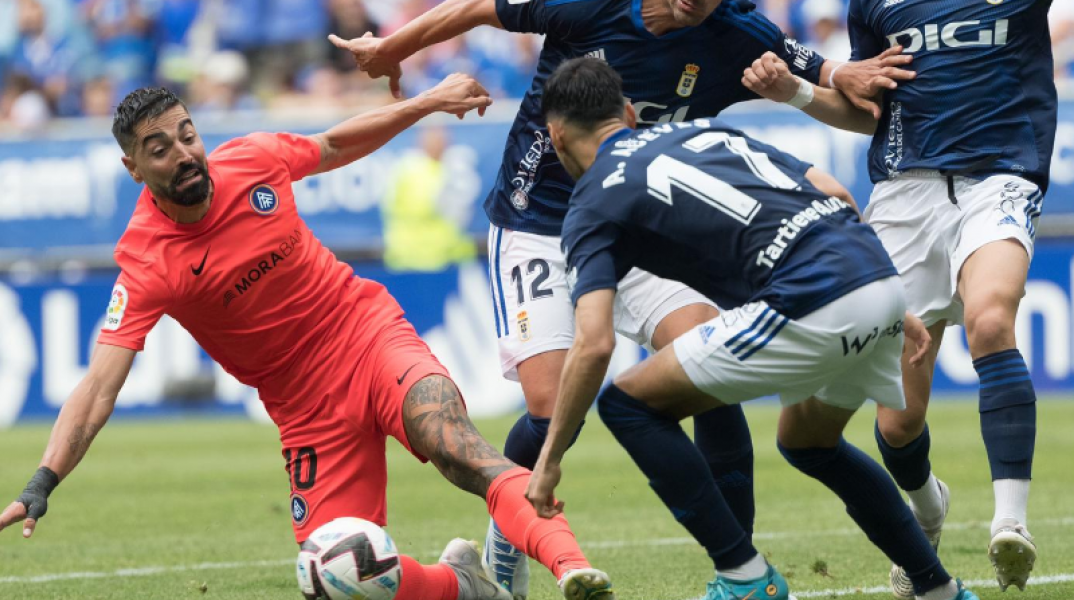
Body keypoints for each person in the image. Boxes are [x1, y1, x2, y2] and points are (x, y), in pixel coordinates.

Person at [330, 1, 914, 594]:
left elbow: (841, 93)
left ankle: (739, 573)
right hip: (539, 226)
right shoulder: (590, 6)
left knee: (707, 371)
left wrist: (834, 77)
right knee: (550, 407)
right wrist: (395, 46)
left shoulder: (738, 33)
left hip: (646, 228)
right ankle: (507, 538)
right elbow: (482, 6)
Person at [0, 77, 617, 600]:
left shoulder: (251, 160)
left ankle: (571, 569)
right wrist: (41, 482)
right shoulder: (146, 264)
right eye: (160, 147)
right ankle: (467, 587)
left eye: (186, 134)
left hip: (365, 334)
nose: (184, 153)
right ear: (134, 168)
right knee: (337, 575)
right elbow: (97, 386)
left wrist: (425, 102)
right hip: (304, 410)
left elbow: (334, 145)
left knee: (455, 446)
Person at [523, 56, 979, 600]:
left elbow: (595, 343)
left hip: (813, 298)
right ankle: (937, 589)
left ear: (554, 136)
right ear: (627, 112)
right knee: (807, 442)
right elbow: (831, 190)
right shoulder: (702, 130)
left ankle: (744, 576)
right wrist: (882, 295)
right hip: (874, 275)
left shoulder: (591, 203)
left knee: (628, 406)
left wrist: (547, 462)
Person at [841, 0, 1054, 594]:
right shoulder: (871, 5)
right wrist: (796, 92)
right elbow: (869, 106)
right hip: (905, 195)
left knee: (991, 322)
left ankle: (1010, 521)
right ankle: (928, 510)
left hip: (999, 176)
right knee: (900, 422)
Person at [382, 125, 477, 272]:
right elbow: (423, 207)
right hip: (414, 259)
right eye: (435, 138)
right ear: (422, 141)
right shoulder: (412, 170)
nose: (441, 143)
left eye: (442, 138)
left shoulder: (448, 168)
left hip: (445, 259)